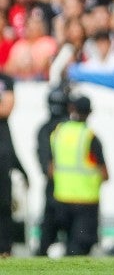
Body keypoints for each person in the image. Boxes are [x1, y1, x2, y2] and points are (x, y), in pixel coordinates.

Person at [49, 94, 109, 256]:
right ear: (90, 112)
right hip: (85, 202)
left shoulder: (58, 133)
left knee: (67, 244)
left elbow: (51, 167)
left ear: (71, 108)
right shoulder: (89, 137)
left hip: (61, 198)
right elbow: (104, 173)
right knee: (80, 248)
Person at [36, 84, 70, 256]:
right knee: (73, 247)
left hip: (55, 190)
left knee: (46, 242)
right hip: (72, 192)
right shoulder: (70, 129)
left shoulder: (45, 130)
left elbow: (45, 165)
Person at [0, 71, 29, 257]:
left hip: (2, 149)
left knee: (3, 202)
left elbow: (6, 108)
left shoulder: (5, 79)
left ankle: (4, 248)